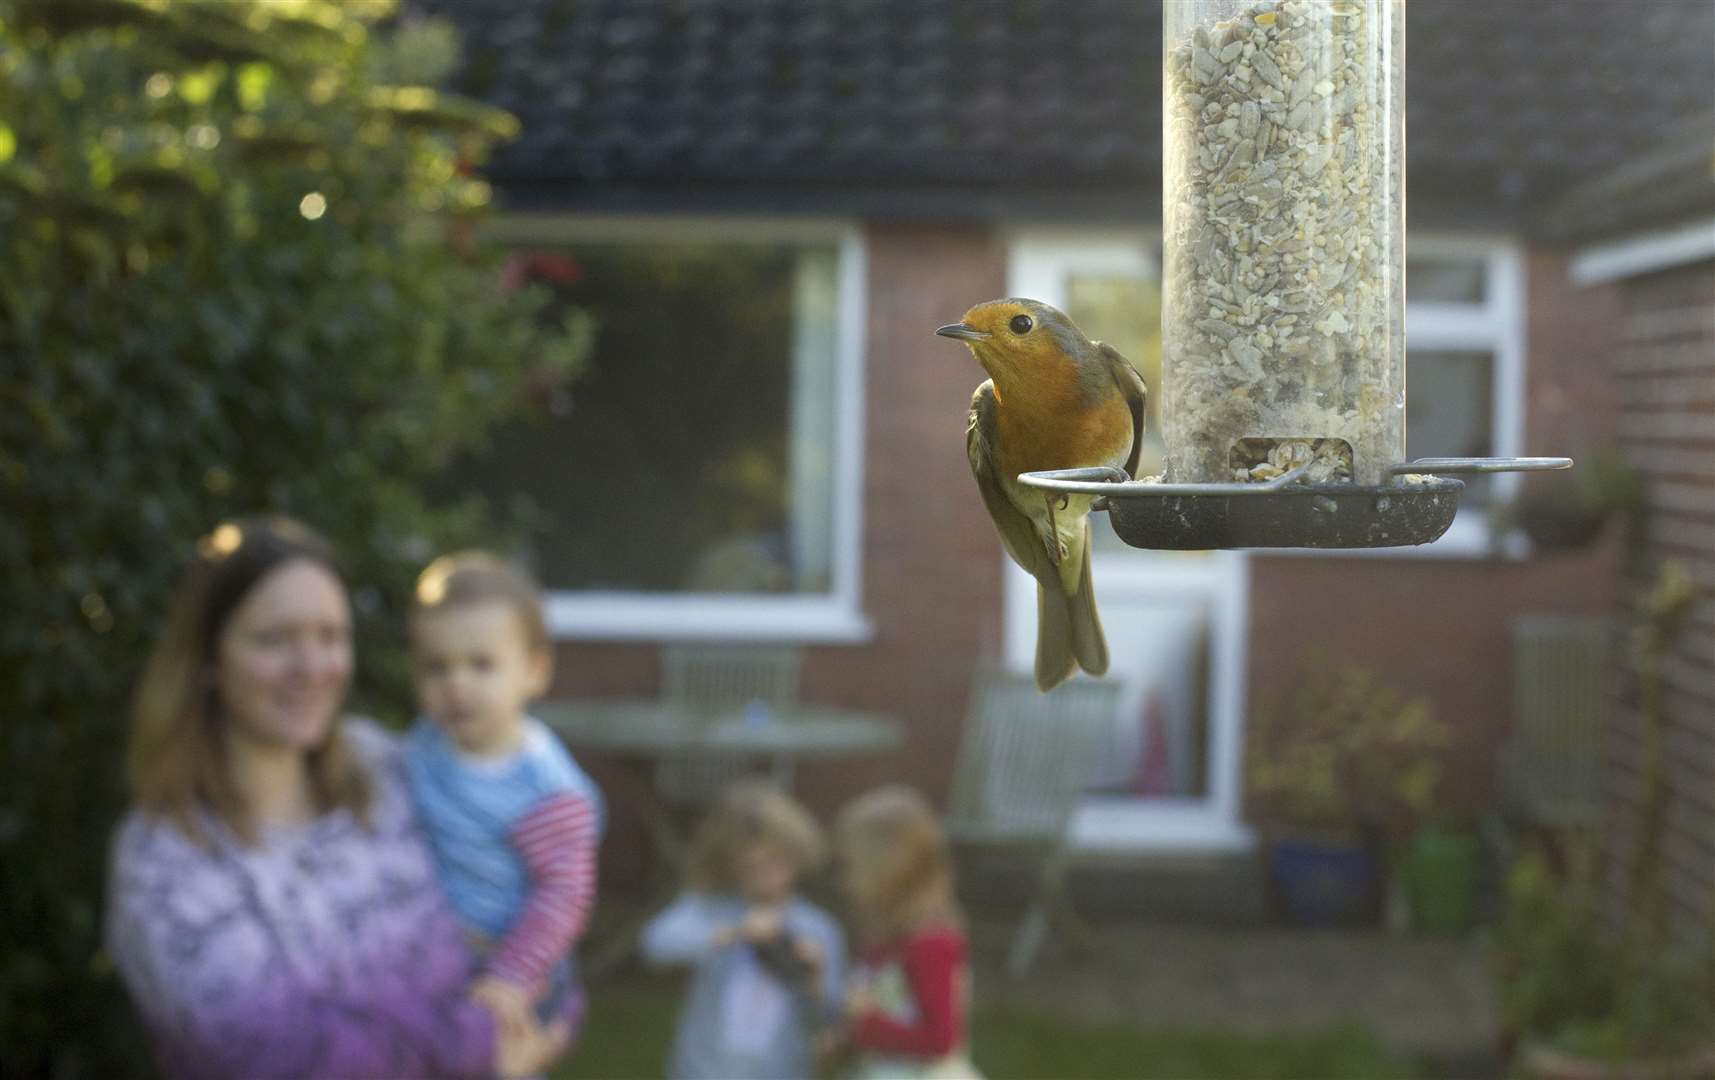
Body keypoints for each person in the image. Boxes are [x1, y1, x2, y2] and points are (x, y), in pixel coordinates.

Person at [105, 516, 568, 1080]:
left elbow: (538, 930)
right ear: (208, 659)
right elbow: (270, 1058)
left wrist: (538, 995)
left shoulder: (391, 772)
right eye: (274, 640)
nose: (311, 667)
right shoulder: (165, 859)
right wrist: (481, 1037)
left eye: (330, 636)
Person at [402, 550, 604, 1044]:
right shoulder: (426, 744)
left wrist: (510, 977)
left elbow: (564, 896)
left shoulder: (544, 788)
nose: (456, 685)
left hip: (510, 961)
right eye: (436, 668)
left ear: (534, 672)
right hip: (438, 955)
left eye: (481, 664)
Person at [640, 779, 846, 1080]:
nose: (766, 877)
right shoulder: (714, 908)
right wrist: (735, 932)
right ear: (733, 866)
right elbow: (655, 944)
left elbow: (831, 1016)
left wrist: (814, 976)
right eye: (752, 869)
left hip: (780, 1070)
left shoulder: (817, 927)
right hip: (703, 1069)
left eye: (775, 862)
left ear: (796, 856)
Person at [831, 785, 980, 1080]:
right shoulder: (887, 940)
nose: (843, 880)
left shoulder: (931, 945)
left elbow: (941, 1039)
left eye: (850, 866)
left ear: (888, 870)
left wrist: (865, 1027)